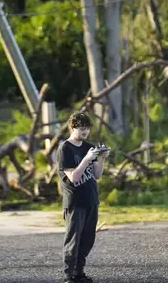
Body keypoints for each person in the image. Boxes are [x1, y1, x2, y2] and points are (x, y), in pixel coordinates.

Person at [55, 111, 109, 283]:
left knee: (87, 240)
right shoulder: (65, 148)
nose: (85, 132)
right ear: (72, 127)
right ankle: (69, 275)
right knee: (73, 239)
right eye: (82, 129)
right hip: (75, 201)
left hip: (91, 199)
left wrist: (101, 159)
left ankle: (79, 273)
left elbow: (97, 175)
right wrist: (86, 159)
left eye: (87, 129)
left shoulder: (88, 147)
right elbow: (74, 177)